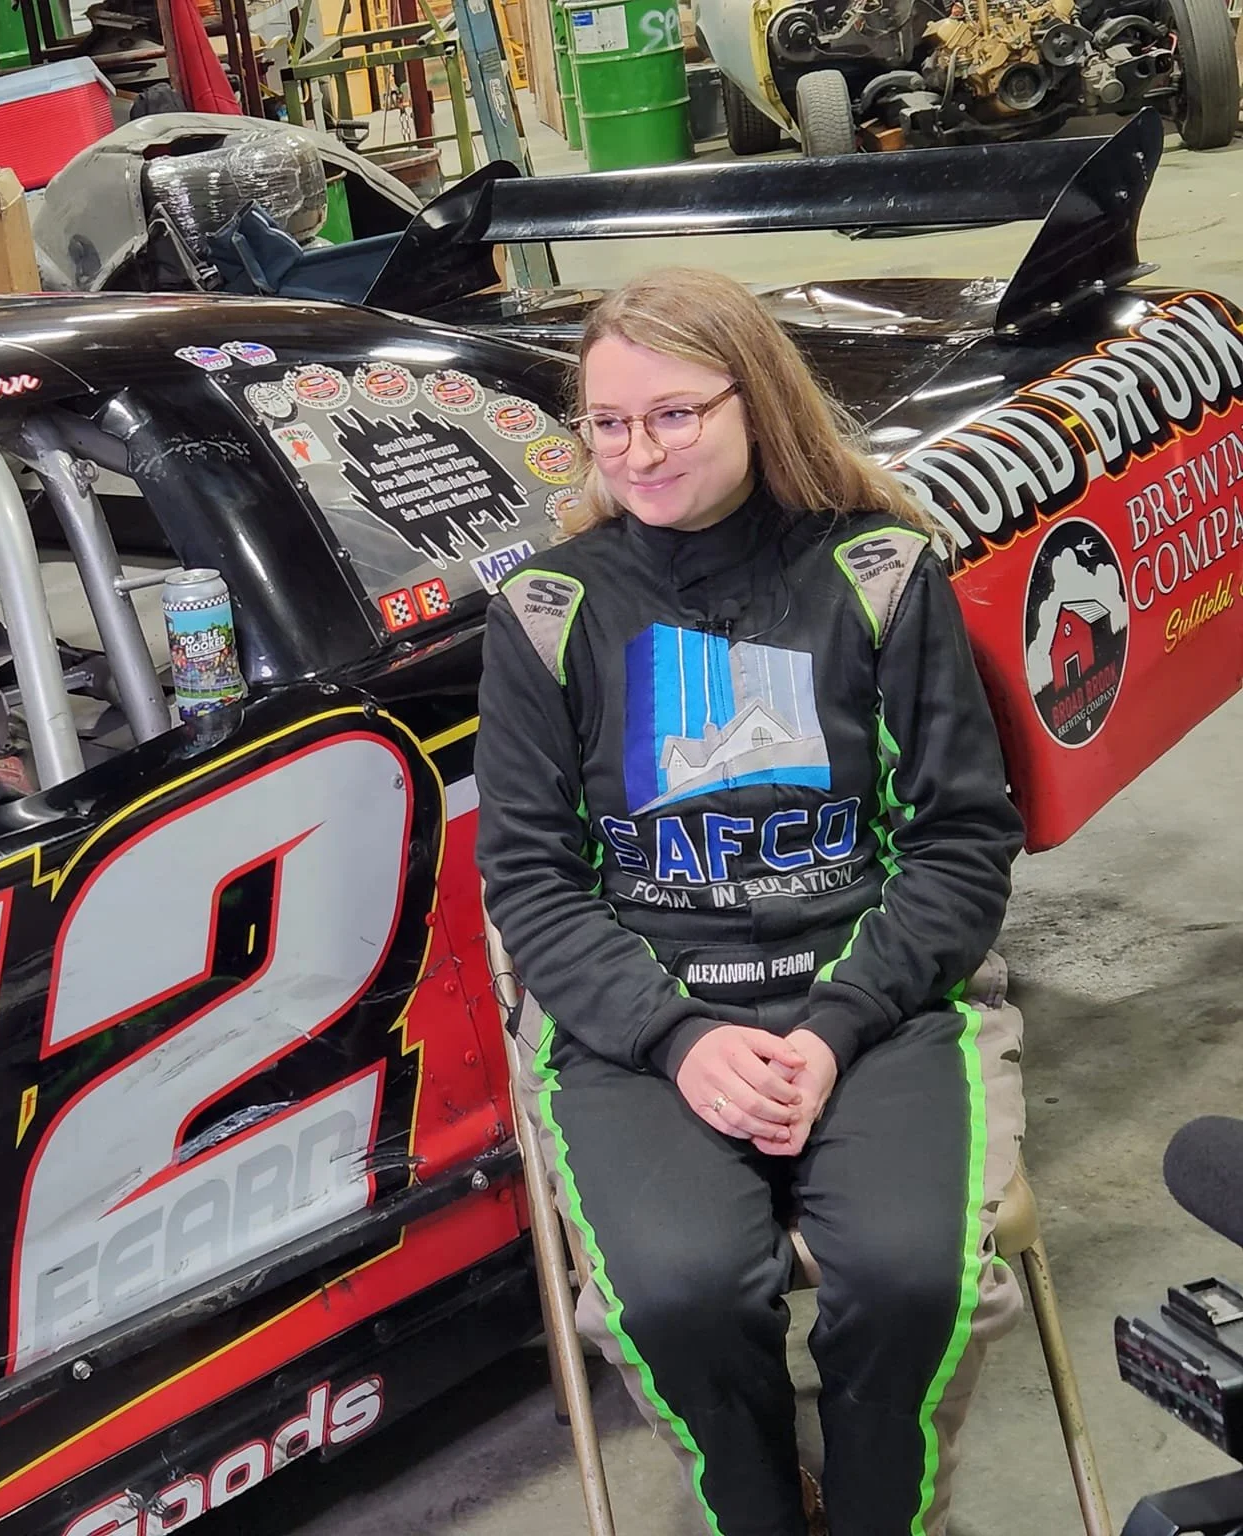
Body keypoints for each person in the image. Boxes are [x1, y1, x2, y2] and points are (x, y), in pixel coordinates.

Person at [475, 267, 1028, 1536]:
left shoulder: (881, 574)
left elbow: (957, 845)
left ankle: (885, 1517)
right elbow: (532, 883)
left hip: (875, 1007)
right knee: (669, 1292)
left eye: (673, 413)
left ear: (756, 403)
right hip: (639, 1025)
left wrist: (832, 1033)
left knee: (907, 1280)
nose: (637, 450)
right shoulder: (545, 613)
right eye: (607, 423)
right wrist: (679, 1039)